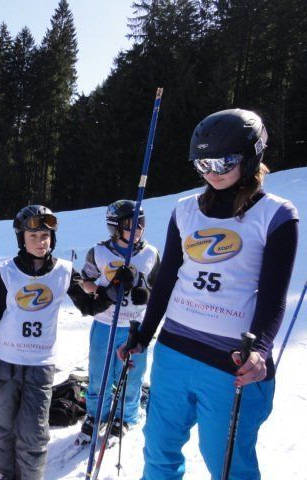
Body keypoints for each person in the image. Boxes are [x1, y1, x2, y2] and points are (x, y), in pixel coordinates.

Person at [119, 109, 299, 479]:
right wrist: (144, 334)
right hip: (173, 352)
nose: (212, 172)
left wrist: (260, 350)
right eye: (203, 163)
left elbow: (273, 296)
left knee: (229, 466)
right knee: (158, 454)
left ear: (251, 156)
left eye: (224, 162)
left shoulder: (276, 214)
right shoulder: (185, 210)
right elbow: (166, 279)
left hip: (231, 363)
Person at [0, 205, 114, 480]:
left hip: (40, 363)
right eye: (34, 236)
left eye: (46, 236)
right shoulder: (7, 272)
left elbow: (88, 306)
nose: (41, 242)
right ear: (21, 239)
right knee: (4, 426)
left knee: (34, 431)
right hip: (7, 361)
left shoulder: (64, 270)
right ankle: (7, 474)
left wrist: (112, 291)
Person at [76, 200, 160, 444]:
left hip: (135, 326)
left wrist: (146, 293)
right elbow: (85, 281)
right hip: (105, 323)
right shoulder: (99, 252)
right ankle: (96, 414)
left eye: (141, 223)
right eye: (130, 224)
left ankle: (125, 415)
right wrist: (104, 291)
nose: (138, 229)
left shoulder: (150, 253)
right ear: (115, 226)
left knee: (132, 375)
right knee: (99, 373)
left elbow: (158, 287)